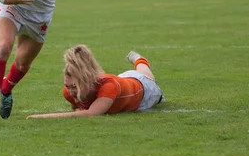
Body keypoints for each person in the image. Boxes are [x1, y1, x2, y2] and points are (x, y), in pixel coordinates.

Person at [26, 45, 165, 119]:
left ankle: (139, 60)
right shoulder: (68, 93)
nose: (70, 91)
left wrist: (41, 117)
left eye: (74, 86)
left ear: (85, 81)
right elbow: (80, 109)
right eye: (67, 86)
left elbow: (90, 113)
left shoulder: (109, 87)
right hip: (123, 81)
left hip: (144, 90)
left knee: (148, 78)